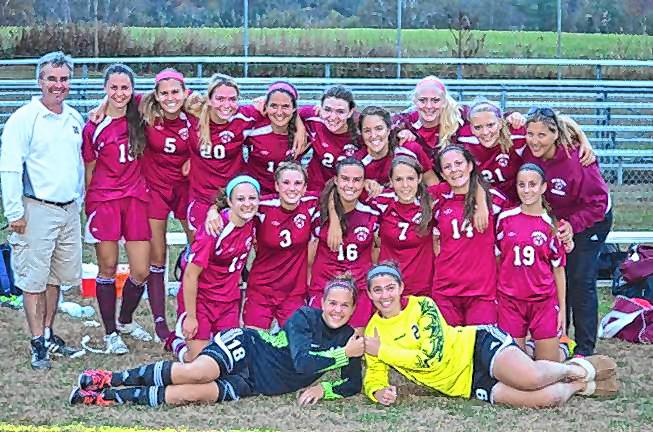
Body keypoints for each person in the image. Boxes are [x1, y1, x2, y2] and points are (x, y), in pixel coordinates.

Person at [69, 274, 364, 407]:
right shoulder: (304, 316)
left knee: (191, 394)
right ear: (322, 301)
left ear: (353, 309)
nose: (337, 310)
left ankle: (105, 397)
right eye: (332, 303)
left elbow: (352, 384)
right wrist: (342, 355)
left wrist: (323, 390)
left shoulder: (350, 338)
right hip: (248, 348)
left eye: (344, 305)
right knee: (196, 373)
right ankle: (110, 378)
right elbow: (302, 362)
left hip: (257, 383)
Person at [362, 262, 619, 408]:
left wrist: (382, 350)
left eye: (390, 288)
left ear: (401, 288)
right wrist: (377, 391)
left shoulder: (423, 306)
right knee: (545, 399)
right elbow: (374, 372)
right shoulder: (374, 330)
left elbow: (432, 357)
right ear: (370, 294)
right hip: (465, 384)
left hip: (475, 346)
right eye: (378, 290)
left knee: (530, 378)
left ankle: (572, 367)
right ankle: (581, 385)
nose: (385, 295)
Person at [0, 51, 83, 369]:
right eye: (52, 79)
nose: (58, 85)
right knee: (33, 281)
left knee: (55, 279)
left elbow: (76, 165)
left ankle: (48, 333)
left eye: (63, 79)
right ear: (40, 81)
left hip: (67, 211)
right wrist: (14, 213)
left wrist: (79, 200)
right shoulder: (24, 119)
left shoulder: (74, 118)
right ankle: (37, 343)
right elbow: (9, 168)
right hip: (35, 210)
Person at [522, 107, 612, 357]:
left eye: (541, 135)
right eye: (530, 134)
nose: (534, 140)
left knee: (580, 280)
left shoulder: (577, 159)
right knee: (553, 279)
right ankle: (559, 336)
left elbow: (599, 203)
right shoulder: (530, 152)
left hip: (591, 221)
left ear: (555, 134)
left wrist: (573, 224)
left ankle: (585, 348)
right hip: (559, 222)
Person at [82, 63, 153, 354]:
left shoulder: (141, 115)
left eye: (125, 87)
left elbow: (162, 95)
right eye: (113, 87)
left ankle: (125, 320)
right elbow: (89, 168)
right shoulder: (93, 126)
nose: (119, 93)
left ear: (132, 89)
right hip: (105, 200)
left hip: (135, 197)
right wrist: (91, 203)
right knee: (108, 266)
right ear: (105, 89)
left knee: (141, 270)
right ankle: (111, 333)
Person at [172, 175, 260, 362]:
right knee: (197, 361)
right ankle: (175, 342)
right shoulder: (215, 229)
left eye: (252, 198)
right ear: (229, 201)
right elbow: (189, 275)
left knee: (227, 361)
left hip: (228, 301)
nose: (247, 204)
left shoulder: (251, 222)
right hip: (202, 300)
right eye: (240, 199)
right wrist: (191, 316)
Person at [495, 164, 572, 361]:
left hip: (543, 302)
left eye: (532, 184)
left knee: (548, 367)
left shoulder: (551, 226)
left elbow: (558, 269)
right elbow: (498, 259)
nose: (527, 190)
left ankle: (564, 348)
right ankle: (529, 346)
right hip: (511, 301)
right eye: (522, 184)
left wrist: (561, 309)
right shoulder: (505, 219)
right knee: (517, 366)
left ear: (543, 187)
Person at [139, 68, 194, 341]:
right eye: (164, 93)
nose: (170, 98)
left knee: (198, 250)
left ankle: (194, 310)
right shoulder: (146, 110)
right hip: (156, 188)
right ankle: (160, 322)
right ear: (156, 95)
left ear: (185, 92)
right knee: (156, 255)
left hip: (186, 188)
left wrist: (194, 158)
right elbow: (116, 99)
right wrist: (101, 107)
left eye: (176, 92)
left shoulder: (197, 111)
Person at [457, 98, 596, 204]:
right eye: (478, 127)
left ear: (500, 123)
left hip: (515, 204)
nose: (485, 132)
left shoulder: (517, 134)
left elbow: (553, 122)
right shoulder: (463, 138)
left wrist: (583, 138)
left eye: (490, 125)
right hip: (480, 202)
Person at [429, 145, 506, 326]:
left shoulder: (493, 200)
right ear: (441, 172)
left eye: (458, 163)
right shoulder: (437, 197)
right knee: (451, 349)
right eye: (447, 167)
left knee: (480, 347)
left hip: (481, 292)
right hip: (446, 290)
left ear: (470, 165)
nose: (454, 170)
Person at [309, 158, 379, 330]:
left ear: (364, 182)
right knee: (319, 343)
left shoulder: (373, 213)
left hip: (357, 290)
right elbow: (308, 260)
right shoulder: (317, 214)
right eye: (345, 179)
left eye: (357, 180)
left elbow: (377, 252)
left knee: (354, 342)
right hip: (324, 287)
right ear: (336, 180)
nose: (350, 185)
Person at [370, 155, 435, 297]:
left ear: (419, 179)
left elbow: (469, 182)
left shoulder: (431, 203)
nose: (405, 185)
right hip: (388, 290)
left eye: (410, 179)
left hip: (423, 289)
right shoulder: (381, 202)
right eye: (399, 179)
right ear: (391, 181)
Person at [354, 105, 438, 191]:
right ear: (361, 133)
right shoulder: (357, 163)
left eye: (379, 129)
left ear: (388, 129)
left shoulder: (409, 149)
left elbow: (431, 181)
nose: (374, 135)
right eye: (367, 131)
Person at [298, 85, 360, 192]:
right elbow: (289, 112)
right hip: (315, 191)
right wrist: (299, 128)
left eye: (340, 112)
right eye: (327, 109)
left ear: (350, 112)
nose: (332, 117)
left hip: (348, 192)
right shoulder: (314, 118)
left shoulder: (362, 130)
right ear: (320, 107)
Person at [246, 81, 300, 194]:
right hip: (256, 196)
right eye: (274, 106)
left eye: (285, 106)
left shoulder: (303, 132)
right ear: (265, 106)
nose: (279, 112)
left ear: (294, 109)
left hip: (289, 196)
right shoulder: (253, 128)